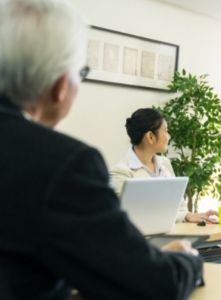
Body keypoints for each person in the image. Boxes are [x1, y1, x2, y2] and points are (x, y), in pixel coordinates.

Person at [0, 0, 203, 299]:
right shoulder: (64, 164)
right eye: (80, 73)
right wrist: (186, 259)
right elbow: (154, 285)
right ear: (60, 86)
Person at [110, 108, 218, 223]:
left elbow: (180, 208)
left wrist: (188, 216)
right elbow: (128, 219)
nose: (169, 136)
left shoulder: (164, 163)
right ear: (150, 137)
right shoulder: (120, 172)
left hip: (173, 232)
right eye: (165, 131)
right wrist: (183, 216)